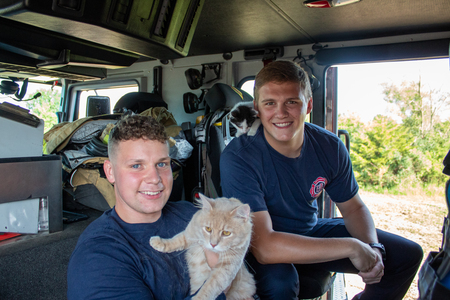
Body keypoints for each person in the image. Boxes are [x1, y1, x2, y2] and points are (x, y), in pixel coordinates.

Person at [220, 60, 423, 300]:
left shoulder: (329, 147)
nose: (281, 113)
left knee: (406, 255)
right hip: (258, 244)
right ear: (257, 108)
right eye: (270, 103)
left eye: (292, 102)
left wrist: (373, 248)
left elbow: (354, 207)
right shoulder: (239, 157)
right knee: (280, 283)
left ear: (308, 105)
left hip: (308, 231)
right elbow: (264, 248)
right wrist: (352, 247)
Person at [67, 114, 225, 300]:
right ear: (110, 172)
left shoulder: (190, 213)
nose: (155, 178)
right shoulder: (99, 256)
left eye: (161, 164)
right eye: (136, 166)